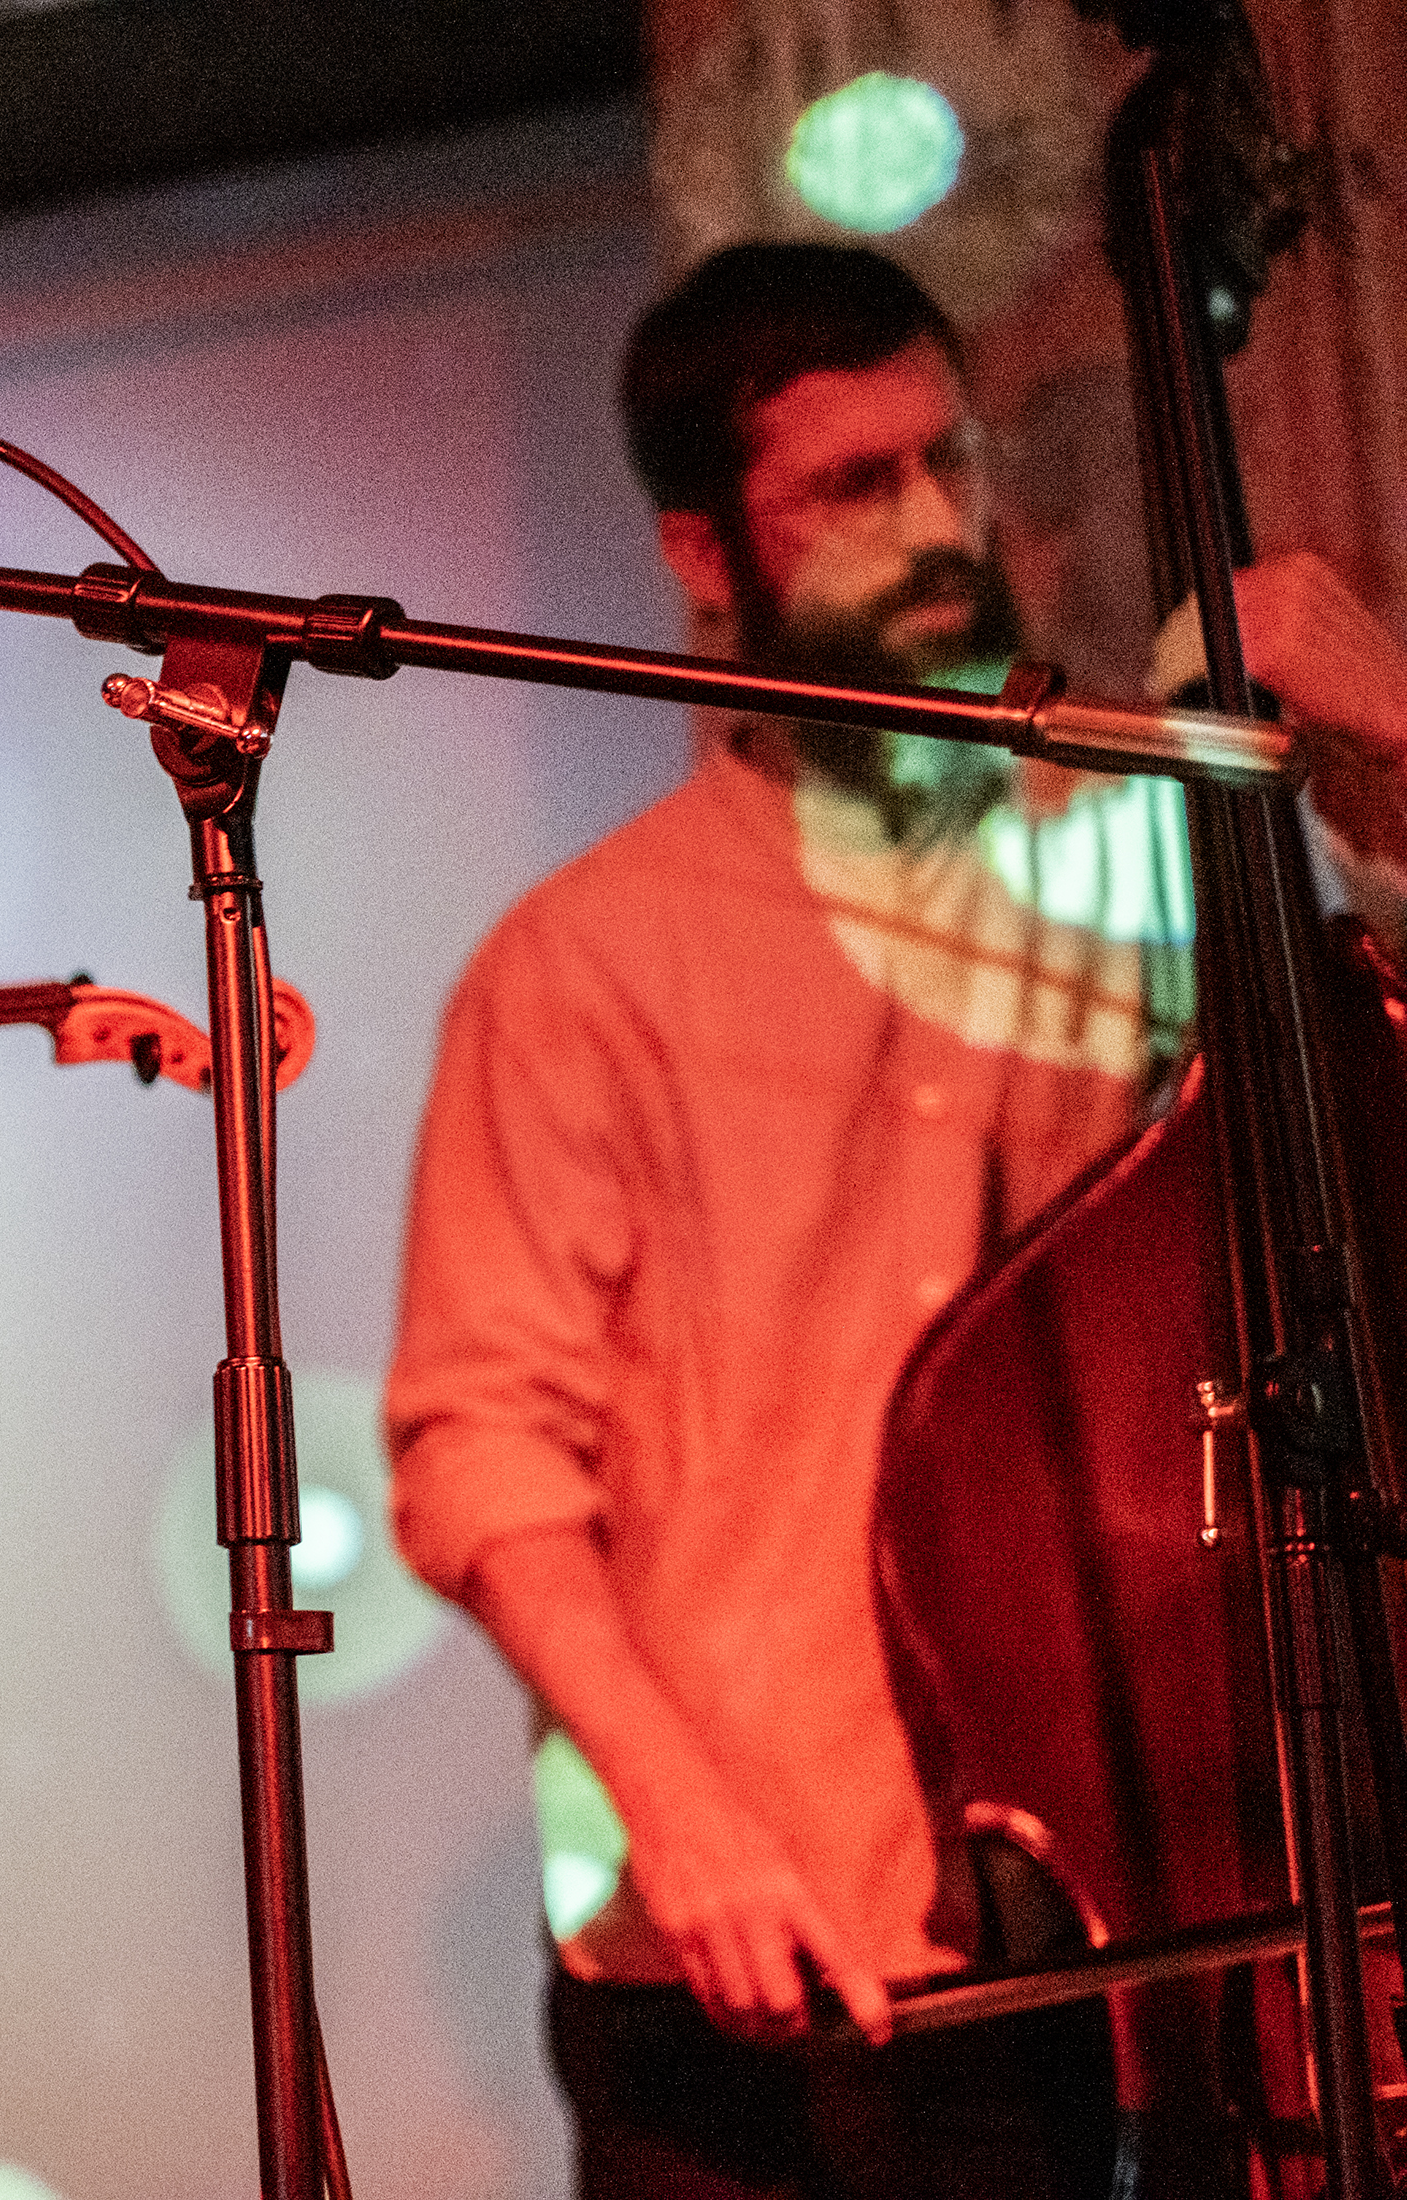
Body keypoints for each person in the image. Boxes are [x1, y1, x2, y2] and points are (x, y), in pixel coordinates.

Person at [383, 241, 1407, 2196]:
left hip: (1126, 1927)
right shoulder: (585, 962)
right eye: (856, 490)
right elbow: (475, 1444)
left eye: (949, 465)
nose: (939, 529)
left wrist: (1393, 719)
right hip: (760, 1933)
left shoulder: (1129, 846)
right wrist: (674, 1809)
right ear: (703, 554)